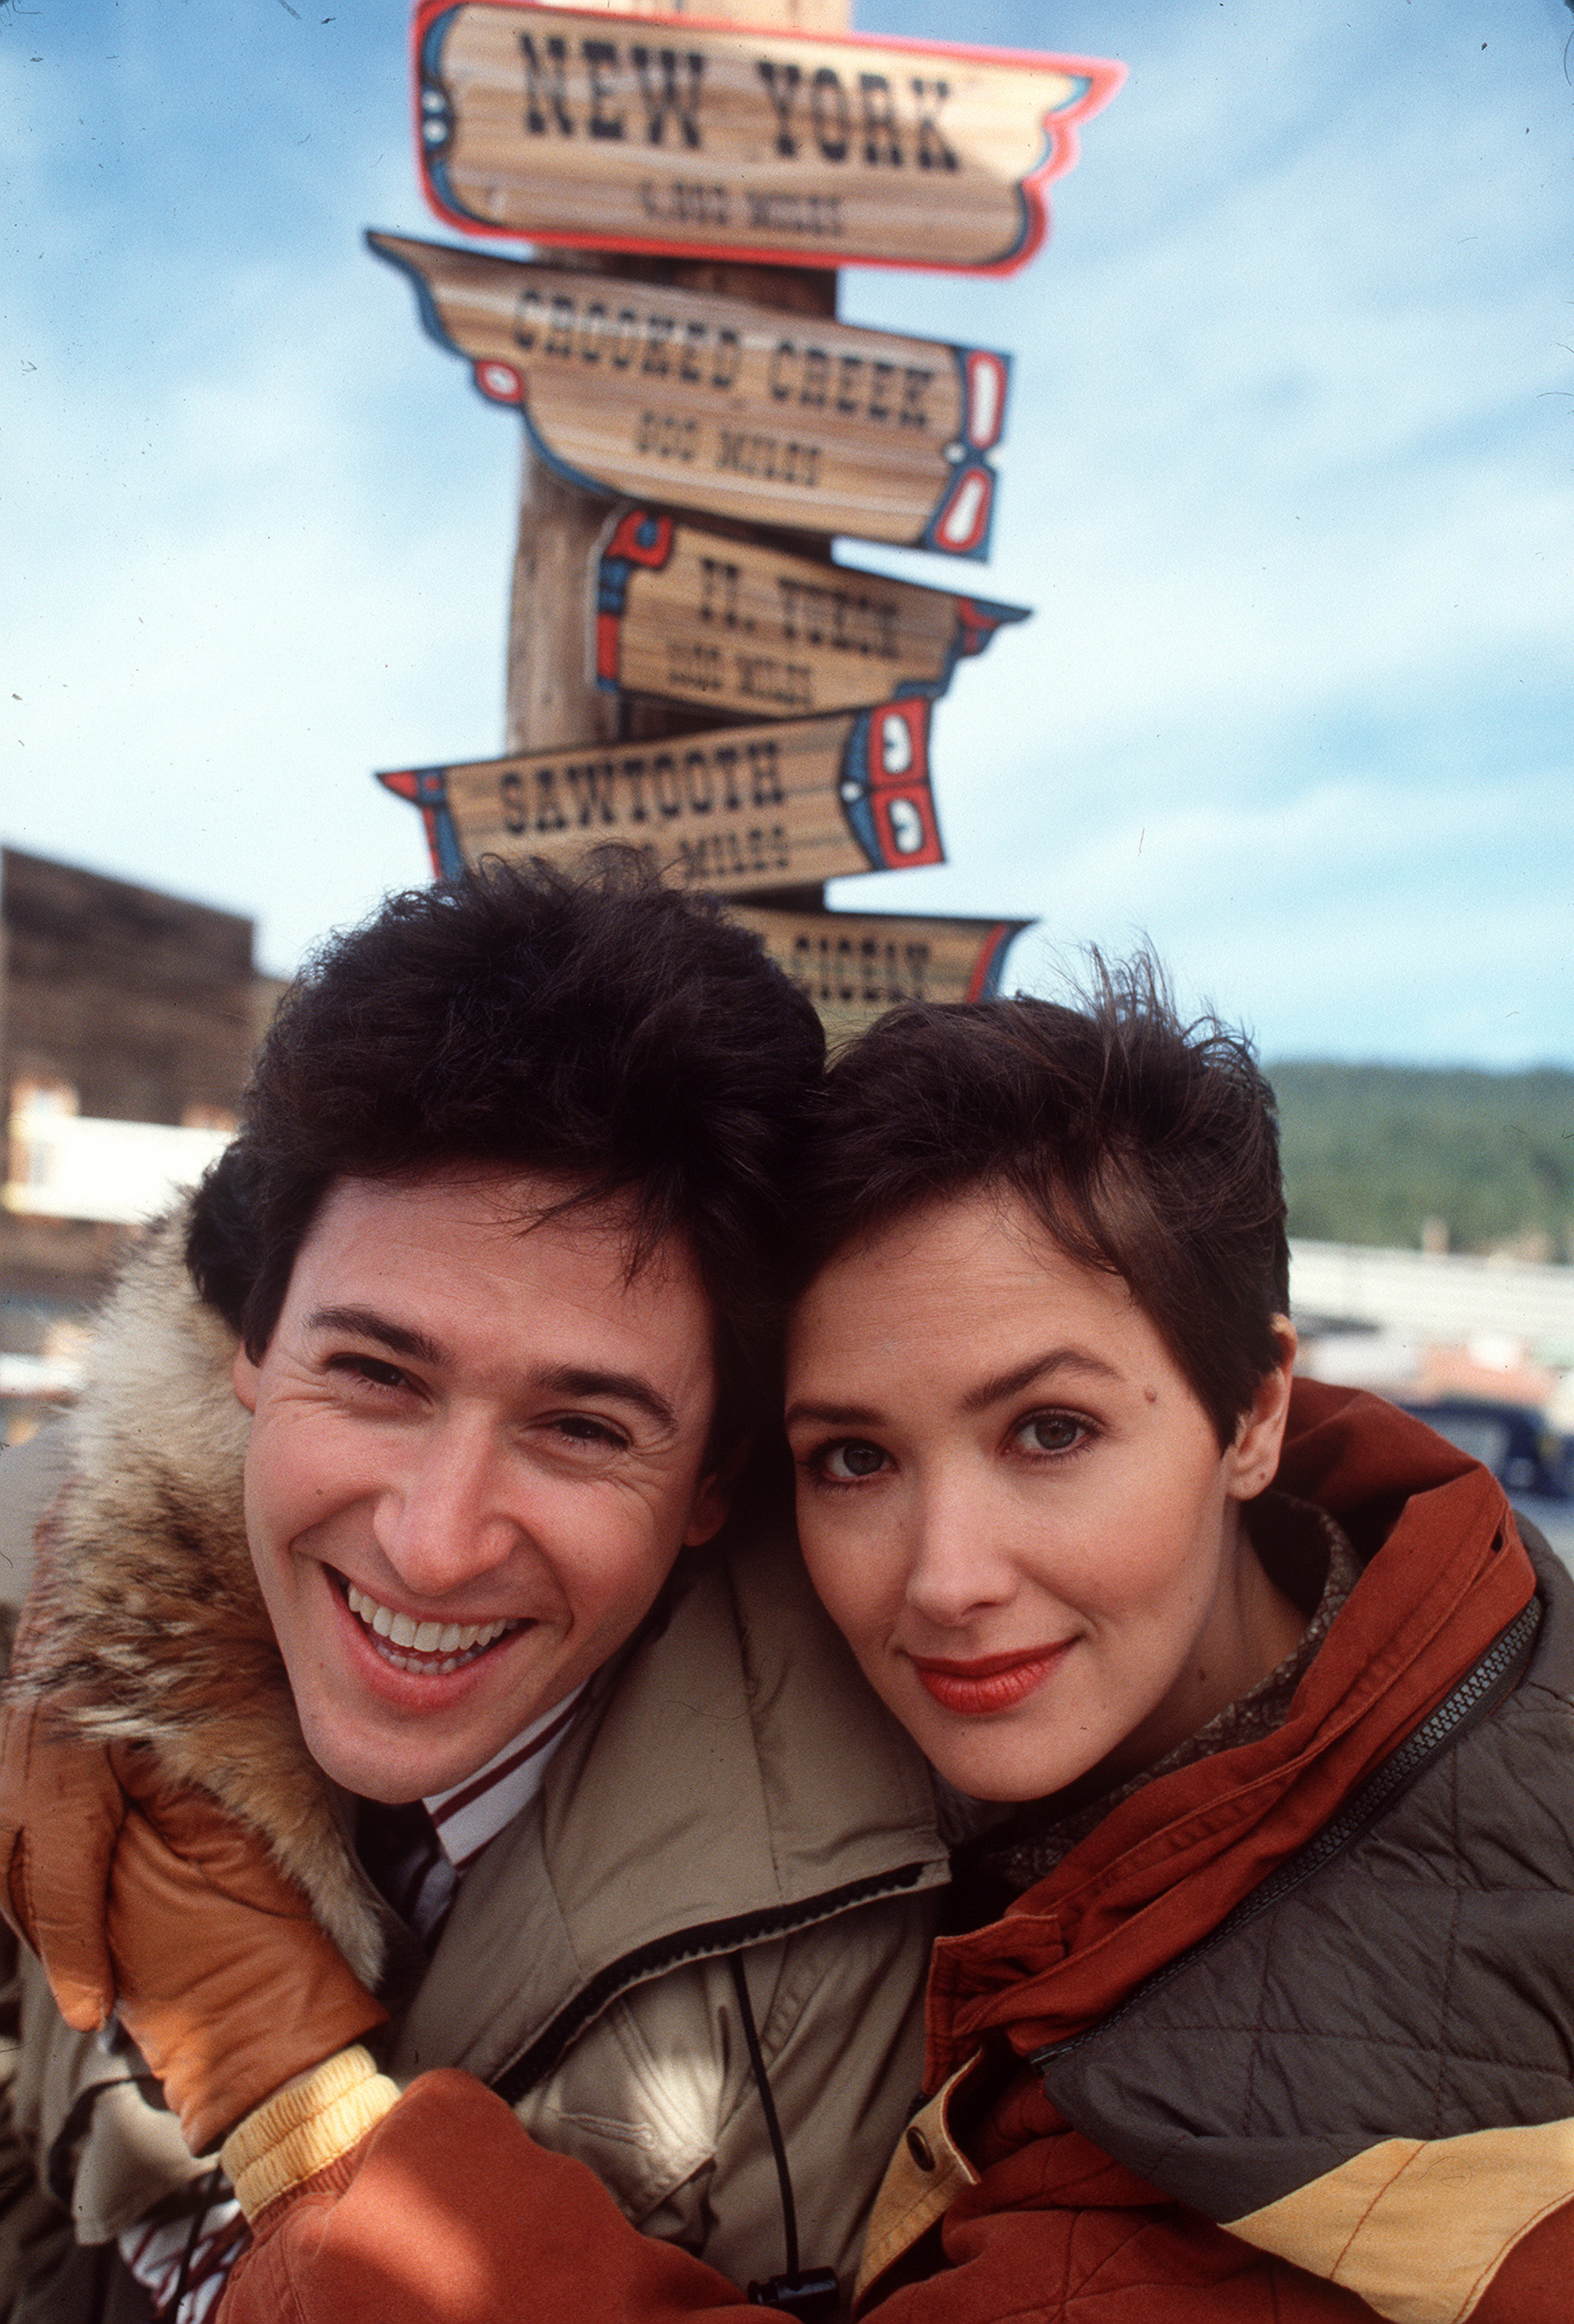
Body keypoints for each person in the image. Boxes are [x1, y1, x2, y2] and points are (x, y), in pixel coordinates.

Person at [7, 963, 1574, 2324]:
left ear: (1255, 1415)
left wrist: (295, 2103)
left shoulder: (1390, 1988)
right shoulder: (1272, 1668)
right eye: (853, 1456)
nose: (946, 1581)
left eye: (1047, 1430)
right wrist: (145, 1616)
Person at [0, 861, 948, 2321]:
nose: (435, 1546)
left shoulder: (924, 1895)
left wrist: (295, 2111)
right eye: (374, 1374)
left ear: (712, 1485)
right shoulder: (42, 1628)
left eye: (580, 1430)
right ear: (249, 1346)